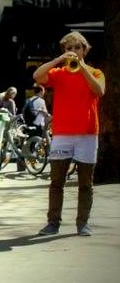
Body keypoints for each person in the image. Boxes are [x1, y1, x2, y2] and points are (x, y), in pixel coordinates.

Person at [33, 31, 105, 236]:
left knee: (85, 183)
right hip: (62, 133)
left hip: (88, 134)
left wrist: (81, 67)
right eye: (68, 48)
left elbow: (99, 91)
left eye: (77, 48)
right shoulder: (58, 73)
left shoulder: (96, 72)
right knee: (56, 181)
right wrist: (58, 60)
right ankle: (53, 223)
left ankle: (82, 223)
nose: (73, 52)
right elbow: (37, 76)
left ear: (84, 50)